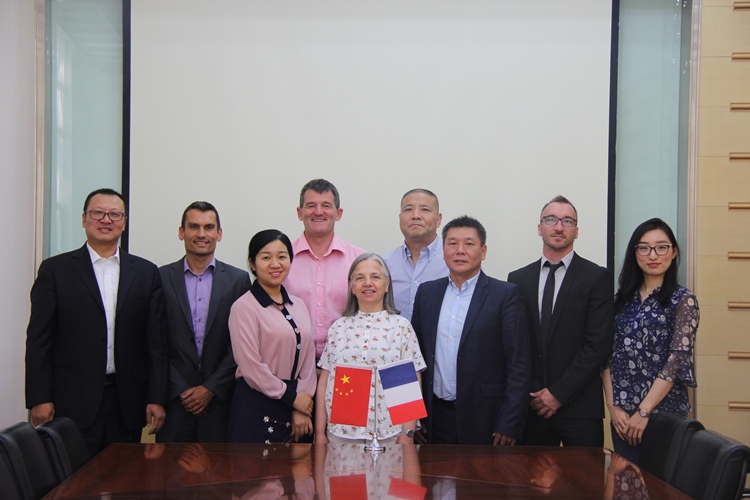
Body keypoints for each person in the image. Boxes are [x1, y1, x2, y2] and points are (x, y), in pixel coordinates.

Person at [25, 188, 168, 457]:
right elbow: (39, 341)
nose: (106, 220)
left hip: (127, 402)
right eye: (97, 213)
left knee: (124, 475)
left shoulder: (145, 272)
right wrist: (39, 398)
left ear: (124, 222)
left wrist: (156, 397)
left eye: (115, 214)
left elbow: (156, 343)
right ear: (84, 219)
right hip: (71, 401)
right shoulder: (55, 270)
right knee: (74, 477)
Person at [412, 216, 531, 445]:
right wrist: (414, 417)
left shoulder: (505, 295)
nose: (460, 250)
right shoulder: (427, 293)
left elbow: (519, 364)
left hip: (487, 418)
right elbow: (414, 358)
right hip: (435, 418)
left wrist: (510, 422)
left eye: (469, 243)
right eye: (452, 243)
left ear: (483, 251)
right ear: (443, 250)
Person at [508, 195, 613, 447]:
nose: (558, 227)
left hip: (580, 408)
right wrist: (536, 392)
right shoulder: (518, 279)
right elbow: (515, 344)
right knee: (528, 474)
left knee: (585, 474)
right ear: (539, 227)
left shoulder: (596, 277)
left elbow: (598, 345)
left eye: (567, 221)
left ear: (576, 231)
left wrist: (557, 394)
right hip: (532, 405)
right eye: (551, 219)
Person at [603, 218, 699, 464]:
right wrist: (613, 407)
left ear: (674, 252)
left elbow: (677, 359)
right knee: (625, 481)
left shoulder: (683, 300)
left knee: (659, 483)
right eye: (644, 248)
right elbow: (607, 356)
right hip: (623, 418)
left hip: (663, 415)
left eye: (661, 247)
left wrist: (644, 412)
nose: (653, 255)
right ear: (635, 253)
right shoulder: (621, 300)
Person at [158, 201, 252, 442]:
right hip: (174, 402)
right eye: (194, 227)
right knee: (172, 466)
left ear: (219, 234)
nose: (201, 234)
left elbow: (241, 344)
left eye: (209, 227)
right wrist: (181, 389)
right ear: (181, 232)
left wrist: (211, 388)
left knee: (219, 466)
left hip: (221, 401)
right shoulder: (160, 277)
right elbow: (155, 341)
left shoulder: (238, 280)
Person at [315, 253, 426, 445]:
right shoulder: (338, 328)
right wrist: (319, 433)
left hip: (390, 434)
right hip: (342, 432)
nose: (368, 283)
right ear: (352, 286)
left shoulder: (401, 327)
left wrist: (407, 433)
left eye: (375, 277)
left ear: (387, 284)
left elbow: (410, 382)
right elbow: (324, 383)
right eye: (360, 278)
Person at [227, 229, 316, 443]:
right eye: (266, 258)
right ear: (252, 263)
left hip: (298, 406)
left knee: (299, 465)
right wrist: (291, 398)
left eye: (282, 256)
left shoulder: (298, 305)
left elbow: (308, 360)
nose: (275, 264)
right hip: (257, 404)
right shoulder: (243, 307)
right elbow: (250, 366)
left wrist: (303, 404)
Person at [284, 179, 365, 360]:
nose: (319, 212)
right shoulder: (282, 260)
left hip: (346, 362)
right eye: (311, 205)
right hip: (293, 363)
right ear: (300, 213)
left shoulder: (359, 261)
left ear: (338, 213)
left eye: (326, 206)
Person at [383, 188, 449, 321]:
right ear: (400, 218)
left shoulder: (456, 262)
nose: (416, 216)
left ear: (438, 219)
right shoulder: (384, 265)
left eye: (425, 209)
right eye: (408, 209)